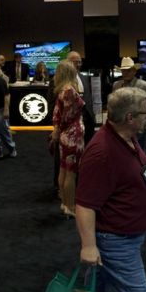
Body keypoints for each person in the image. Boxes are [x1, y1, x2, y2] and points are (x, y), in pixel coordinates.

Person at [75, 87, 146, 292]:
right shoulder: (101, 153)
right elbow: (85, 205)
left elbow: (138, 167)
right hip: (116, 239)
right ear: (130, 117)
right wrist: (88, 246)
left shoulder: (127, 137)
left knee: (99, 276)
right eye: (145, 110)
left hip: (125, 234)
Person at [50, 61, 85, 218]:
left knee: (63, 170)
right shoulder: (70, 90)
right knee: (71, 173)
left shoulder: (61, 91)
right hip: (72, 136)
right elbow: (67, 116)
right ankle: (71, 207)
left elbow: (57, 116)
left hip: (65, 135)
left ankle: (65, 203)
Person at [112, 57, 146, 149]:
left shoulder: (144, 85)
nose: (125, 73)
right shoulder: (116, 85)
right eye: (123, 70)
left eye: (128, 70)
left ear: (134, 71)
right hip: (120, 129)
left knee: (139, 157)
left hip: (137, 130)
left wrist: (142, 124)